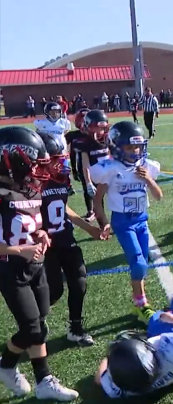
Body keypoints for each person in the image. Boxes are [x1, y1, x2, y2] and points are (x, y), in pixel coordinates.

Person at [0, 126, 79, 401]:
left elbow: (30, 223)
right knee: (32, 328)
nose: (38, 171)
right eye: (34, 164)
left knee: (39, 325)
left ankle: (8, 365)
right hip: (11, 269)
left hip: (36, 265)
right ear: (13, 159)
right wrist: (20, 249)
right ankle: (40, 379)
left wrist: (41, 234)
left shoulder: (28, 189)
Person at [38, 132, 106, 347]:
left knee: (79, 282)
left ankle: (75, 328)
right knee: (55, 289)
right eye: (56, 160)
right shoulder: (32, 183)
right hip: (46, 244)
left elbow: (63, 207)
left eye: (62, 158)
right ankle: (34, 320)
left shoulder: (61, 177)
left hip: (65, 237)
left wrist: (88, 228)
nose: (61, 164)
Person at [90, 121, 163, 317]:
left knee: (143, 262)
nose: (135, 151)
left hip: (141, 219)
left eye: (137, 146)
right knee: (138, 263)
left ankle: (140, 299)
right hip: (123, 222)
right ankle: (140, 303)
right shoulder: (111, 168)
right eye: (129, 147)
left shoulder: (146, 167)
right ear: (116, 147)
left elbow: (159, 196)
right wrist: (104, 222)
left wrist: (148, 179)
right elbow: (97, 200)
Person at [94, 293, 173, 398]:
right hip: (169, 347)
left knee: (157, 320)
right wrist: (171, 318)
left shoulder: (116, 389)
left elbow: (99, 379)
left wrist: (112, 360)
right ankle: (163, 313)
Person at [73, 109, 111, 222]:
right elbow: (85, 166)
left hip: (110, 175)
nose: (101, 131)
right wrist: (89, 182)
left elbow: (112, 157)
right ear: (89, 127)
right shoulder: (84, 143)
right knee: (98, 202)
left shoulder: (108, 139)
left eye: (103, 128)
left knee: (116, 199)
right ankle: (103, 225)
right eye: (98, 127)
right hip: (96, 177)